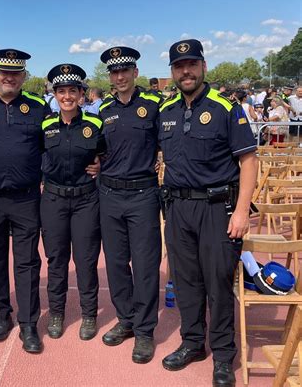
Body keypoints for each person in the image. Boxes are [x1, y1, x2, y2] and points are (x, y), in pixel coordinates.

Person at [158, 39, 258, 387]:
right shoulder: (166, 111)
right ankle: (192, 343)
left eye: (191, 64)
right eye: (178, 66)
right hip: (179, 208)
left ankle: (223, 354)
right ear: (172, 72)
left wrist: (242, 210)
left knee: (217, 283)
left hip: (218, 208)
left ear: (203, 66)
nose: (185, 71)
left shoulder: (225, 108)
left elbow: (248, 160)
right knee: (186, 283)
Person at [0, 48, 50, 354]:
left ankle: (29, 323)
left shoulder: (39, 107)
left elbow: (53, 146)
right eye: (4, 72)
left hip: (26, 198)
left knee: (28, 262)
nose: (9, 78)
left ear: (23, 76)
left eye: (16, 73)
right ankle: (0, 315)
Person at [98, 46, 162, 364]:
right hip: (109, 196)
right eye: (114, 71)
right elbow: (95, 153)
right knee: (116, 264)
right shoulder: (103, 111)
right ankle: (125, 320)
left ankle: (146, 330)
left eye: (125, 70)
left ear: (135, 73)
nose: (119, 76)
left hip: (143, 196)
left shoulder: (154, 106)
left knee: (146, 266)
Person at [41, 64, 105, 341]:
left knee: (86, 260)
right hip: (53, 199)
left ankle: (89, 313)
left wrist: (101, 164)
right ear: (55, 94)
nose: (67, 96)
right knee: (56, 260)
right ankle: (56, 312)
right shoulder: (44, 125)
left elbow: (109, 155)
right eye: (61, 91)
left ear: (82, 94)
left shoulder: (95, 125)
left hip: (85, 202)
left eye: (72, 91)